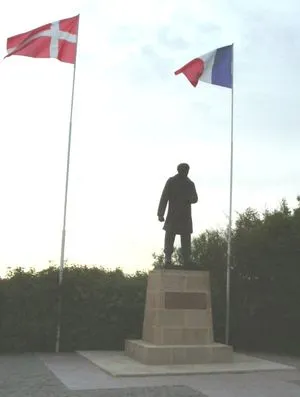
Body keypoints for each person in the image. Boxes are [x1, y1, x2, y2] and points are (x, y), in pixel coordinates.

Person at [157, 163, 198, 268]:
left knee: (186, 239)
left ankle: (187, 260)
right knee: (169, 236)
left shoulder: (190, 184)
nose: (186, 173)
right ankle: (167, 259)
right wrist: (160, 214)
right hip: (173, 214)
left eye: (187, 171)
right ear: (179, 171)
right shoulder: (171, 182)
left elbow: (195, 198)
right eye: (184, 171)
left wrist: (189, 199)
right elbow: (164, 197)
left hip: (185, 216)